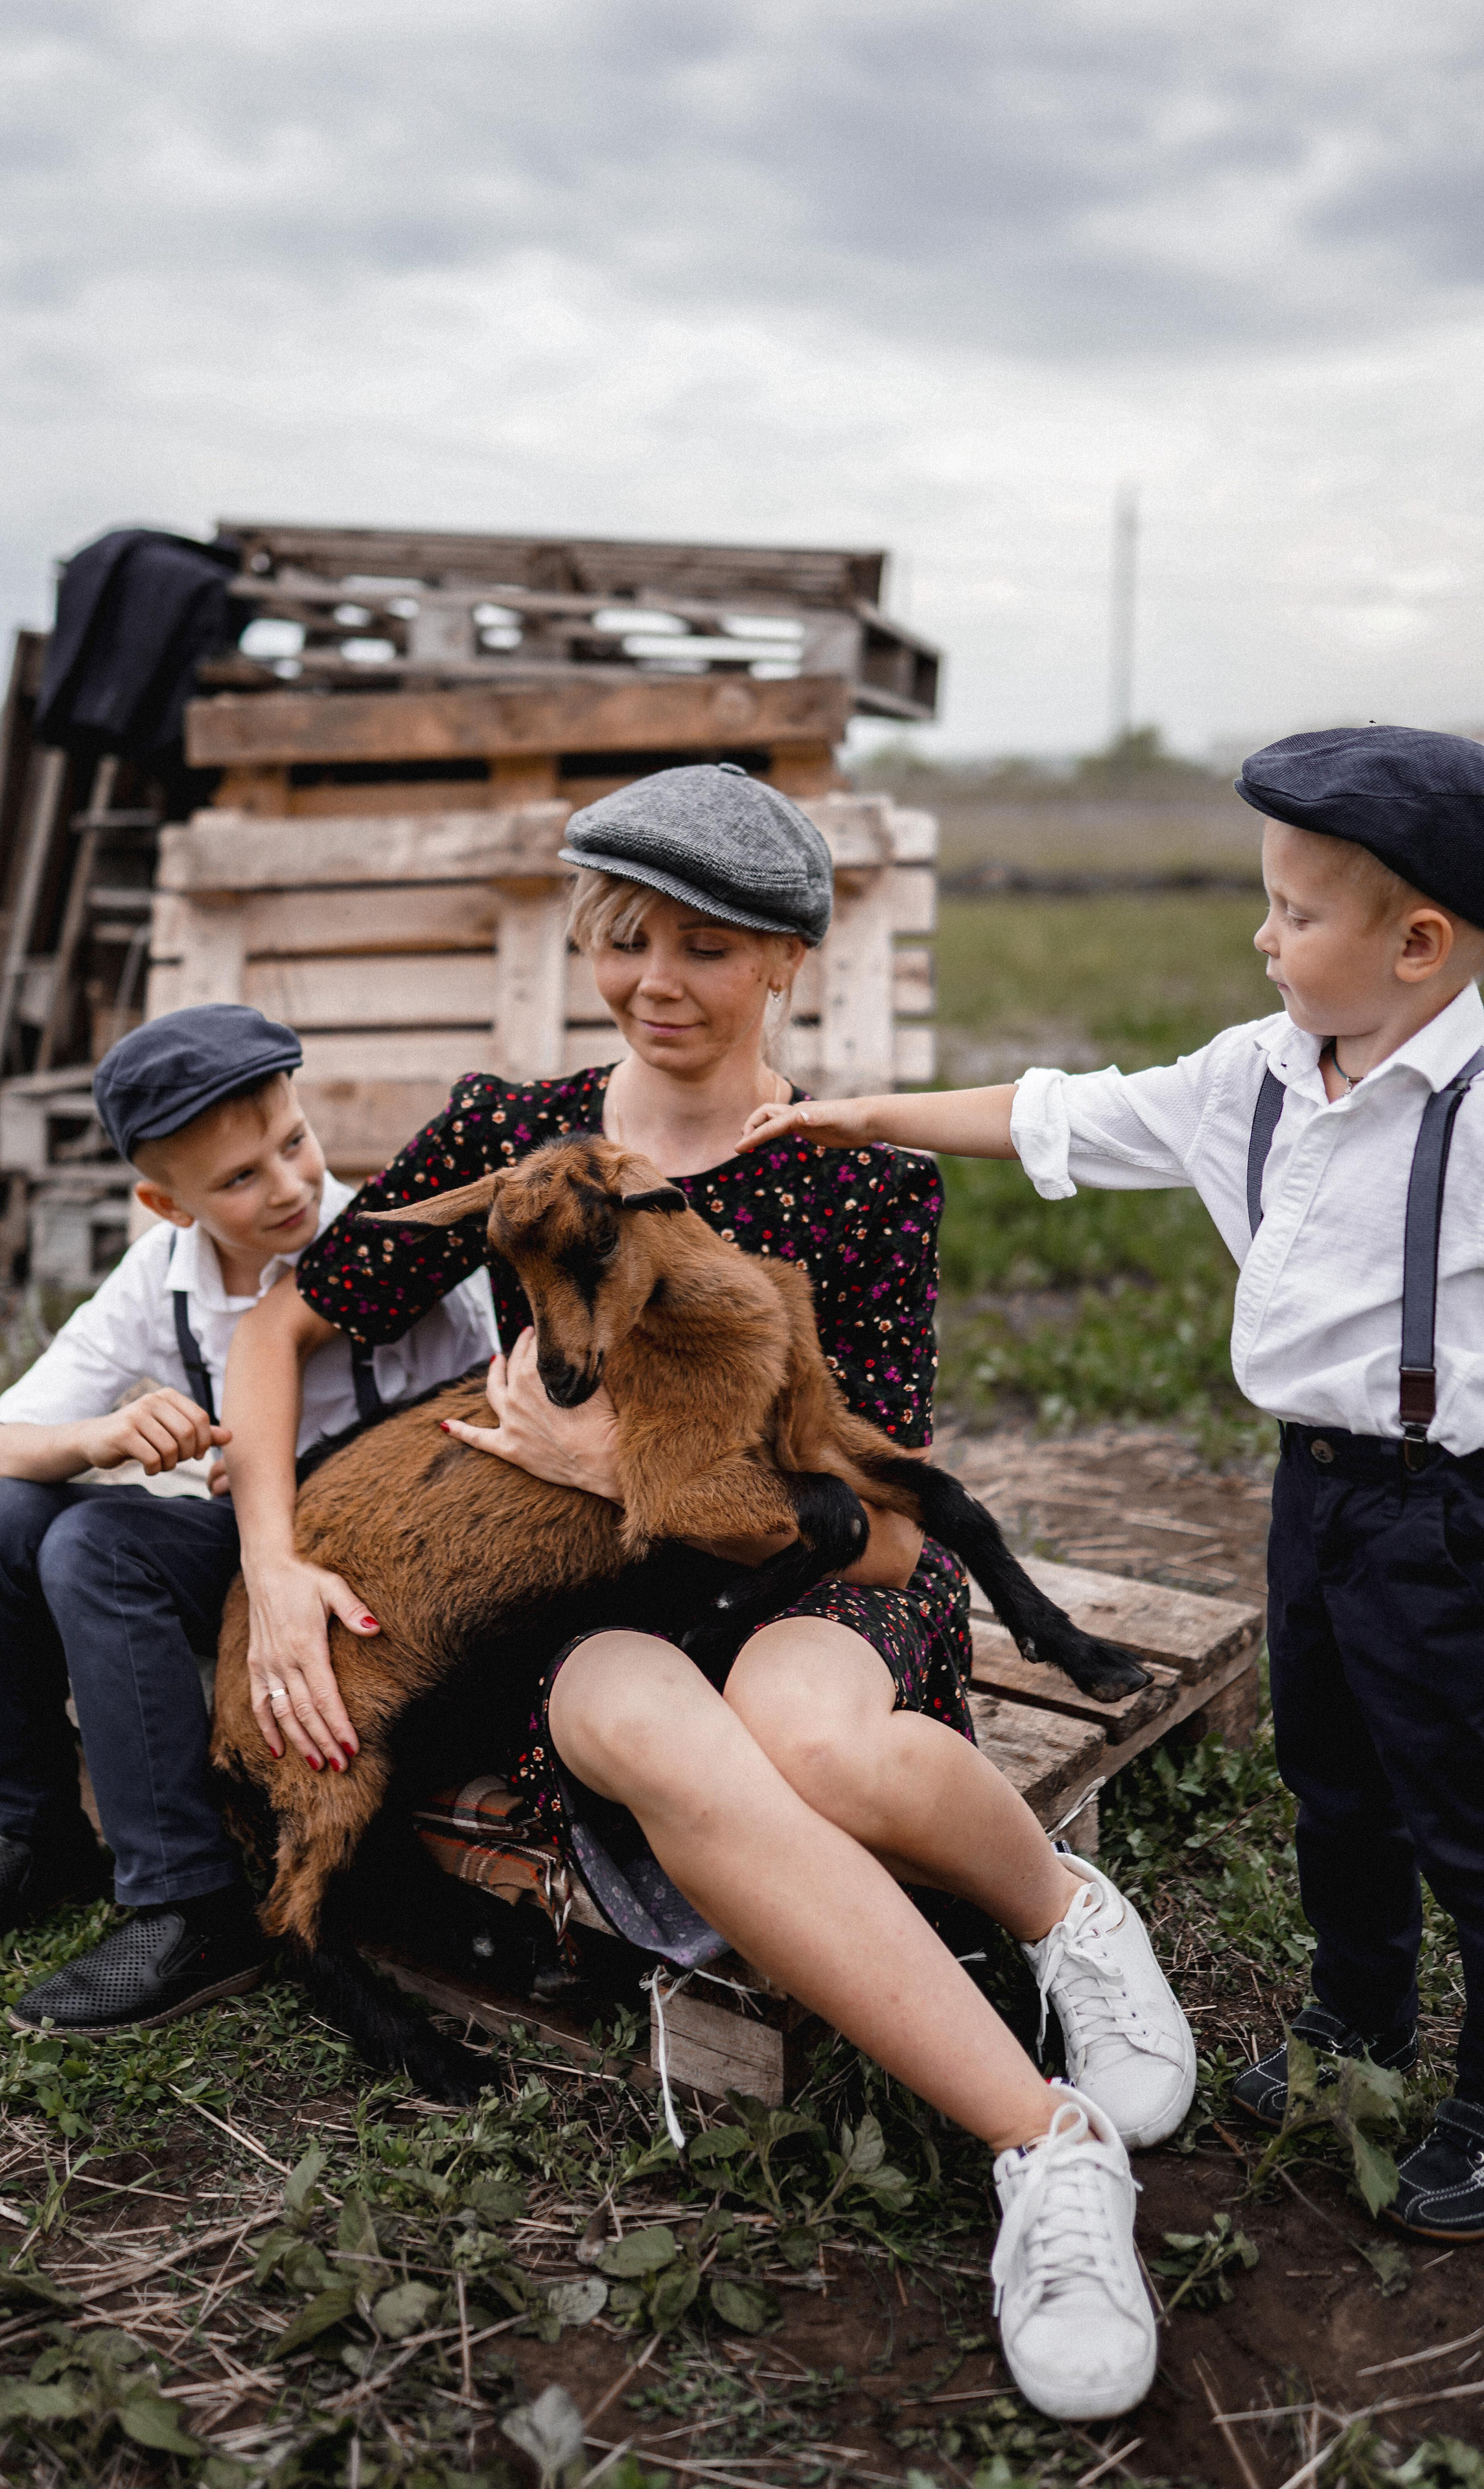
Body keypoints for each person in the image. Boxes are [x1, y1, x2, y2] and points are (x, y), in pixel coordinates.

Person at [221, 763, 1192, 2424]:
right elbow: (276, 1328)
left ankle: (1065, 1916)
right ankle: (1047, 2146)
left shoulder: (857, 1182)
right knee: (641, 1723)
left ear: (787, 964)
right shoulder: (512, 1138)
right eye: (624, 938)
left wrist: (621, 1475)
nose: (655, 983)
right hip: (597, 1623)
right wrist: (274, 1565)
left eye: (707, 947)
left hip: (806, 1590)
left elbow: (884, 1530)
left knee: (815, 1749)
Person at [742, 723, 1484, 2247]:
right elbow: (1055, 1112)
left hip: (1450, 1509)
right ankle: (1356, 2029)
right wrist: (865, 1114)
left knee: (1460, 1802)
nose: (1258, 936)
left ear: (1416, 945)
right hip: (1319, 1497)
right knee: (1334, 1782)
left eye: (1291, 912)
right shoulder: (1255, 1077)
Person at [0, 1003, 498, 2037]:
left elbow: (478, 1430)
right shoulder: (159, 1280)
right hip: (248, 1550)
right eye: (239, 1180)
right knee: (2, 1522)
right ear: (165, 1206)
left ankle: (191, 1901)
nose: (291, 1187)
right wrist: (106, 1432)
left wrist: (307, 1473)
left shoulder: (389, 1247)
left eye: (295, 1144)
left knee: (93, 1545)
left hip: (374, 1568)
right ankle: (33, 1833)